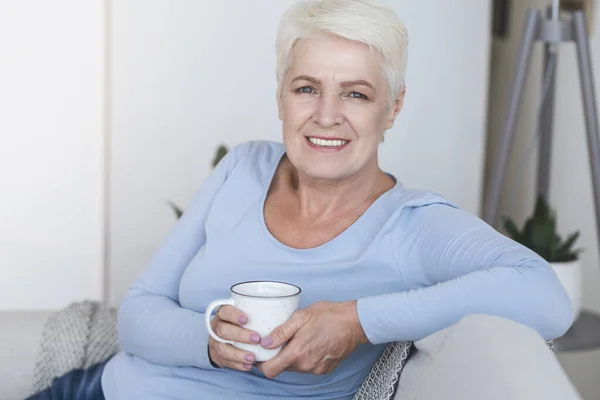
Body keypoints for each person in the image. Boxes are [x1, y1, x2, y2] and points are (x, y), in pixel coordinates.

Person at [29, 0, 574, 399]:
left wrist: (358, 321)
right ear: (281, 95)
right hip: (96, 390)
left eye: (356, 94)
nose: (327, 115)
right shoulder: (243, 168)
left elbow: (546, 298)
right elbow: (138, 314)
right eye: (307, 87)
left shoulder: (413, 226)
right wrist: (209, 341)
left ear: (394, 106)